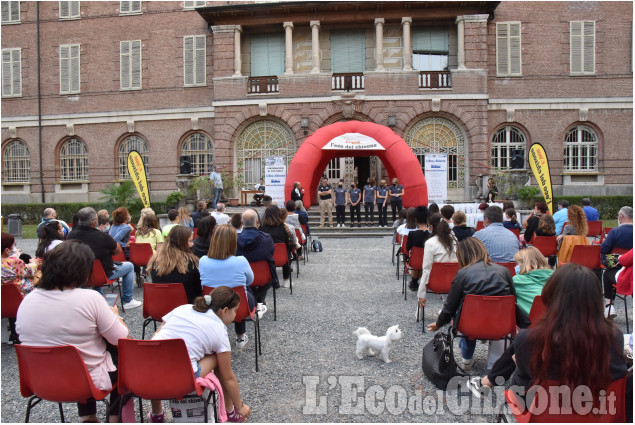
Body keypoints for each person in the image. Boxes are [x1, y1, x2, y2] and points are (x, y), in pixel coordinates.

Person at [468, 264, 629, 413]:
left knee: (522, 367)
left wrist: (521, 366)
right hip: (598, 411)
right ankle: (487, 382)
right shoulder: (614, 336)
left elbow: (532, 378)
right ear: (596, 300)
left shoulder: (531, 339)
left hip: (543, 411)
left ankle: (487, 382)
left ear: (552, 296)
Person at [16, 240, 129, 423]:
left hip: (40, 380)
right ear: (82, 270)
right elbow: (121, 339)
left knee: (81, 352)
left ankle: (89, 417)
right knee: (125, 357)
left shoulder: (26, 301)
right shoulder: (90, 298)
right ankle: (114, 418)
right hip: (85, 382)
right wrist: (116, 317)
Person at [147, 287, 251, 423]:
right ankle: (230, 410)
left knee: (158, 355)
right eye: (235, 311)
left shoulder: (182, 308)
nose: (236, 316)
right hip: (182, 378)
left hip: (148, 372)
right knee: (218, 358)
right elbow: (228, 377)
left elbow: (157, 334)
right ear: (225, 311)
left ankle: (156, 414)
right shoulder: (220, 331)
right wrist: (241, 406)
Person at [427, 237, 516, 370]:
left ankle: (466, 359)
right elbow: (513, 299)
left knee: (464, 312)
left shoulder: (463, 274)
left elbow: (450, 306)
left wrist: (439, 323)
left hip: (471, 326)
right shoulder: (504, 271)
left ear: (463, 255)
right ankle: (495, 363)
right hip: (500, 324)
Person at [68, 207, 142, 309]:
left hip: (81, 275)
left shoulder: (71, 235)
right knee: (129, 266)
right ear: (94, 222)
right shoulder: (102, 236)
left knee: (94, 268)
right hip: (103, 274)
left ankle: (98, 299)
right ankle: (128, 300)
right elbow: (118, 250)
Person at [199, 225, 255, 350]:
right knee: (241, 290)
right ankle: (240, 335)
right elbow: (251, 280)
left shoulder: (203, 261)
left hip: (212, 306)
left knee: (233, 292)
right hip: (239, 308)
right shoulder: (241, 261)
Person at [237, 208, 277, 314]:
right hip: (263, 276)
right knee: (270, 270)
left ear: (242, 222)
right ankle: (258, 299)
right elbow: (271, 254)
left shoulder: (234, 240)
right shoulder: (267, 239)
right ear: (257, 221)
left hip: (242, 277)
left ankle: (253, 299)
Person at [148, 225, 201, 304]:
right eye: (190, 241)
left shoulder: (155, 261)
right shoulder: (191, 262)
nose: (192, 244)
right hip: (186, 308)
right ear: (181, 243)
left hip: (160, 306)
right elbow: (198, 289)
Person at [417, 214, 458, 302]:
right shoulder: (454, 240)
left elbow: (426, 269)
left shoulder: (430, 243)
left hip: (436, 282)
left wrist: (421, 294)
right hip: (455, 282)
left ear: (431, 227)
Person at [602, 207, 633, 317]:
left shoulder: (615, 232)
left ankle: (609, 305)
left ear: (621, 216)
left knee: (607, 272)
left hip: (619, 266)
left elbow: (604, 250)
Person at [511, 247, 553, 315]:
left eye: (517, 263)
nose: (515, 267)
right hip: (555, 320)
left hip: (532, 322)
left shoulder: (517, 280)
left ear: (525, 264)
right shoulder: (554, 277)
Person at [259, 205, 293, 288]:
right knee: (288, 255)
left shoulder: (261, 228)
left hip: (266, 257)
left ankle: (267, 279)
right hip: (282, 257)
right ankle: (286, 280)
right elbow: (289, 243)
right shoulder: (284, 228)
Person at [405, 207, 431, 291]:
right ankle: (415, 282)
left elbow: (407, 248)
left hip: (415, 261)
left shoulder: (412, 234)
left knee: (416, 261)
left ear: (416, 219)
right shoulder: (431, 235)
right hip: (429, 261)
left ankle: (414, 282)